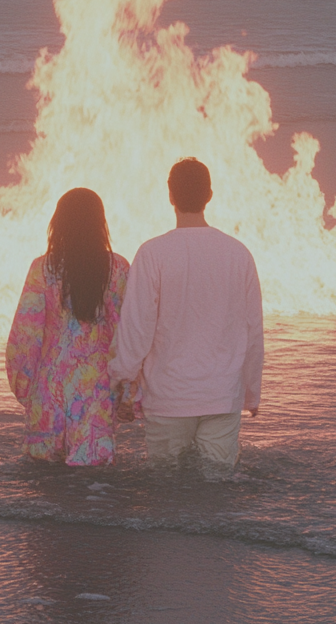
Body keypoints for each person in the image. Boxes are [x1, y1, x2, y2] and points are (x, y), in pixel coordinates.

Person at [109, 158, 263, 466]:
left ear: (170, 195)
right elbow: (253, 330)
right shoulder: (238, 254)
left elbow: (138, 327)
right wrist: (251, 391)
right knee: (216, 490)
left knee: (164, 489)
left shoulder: (153, 253)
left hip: (168, 396)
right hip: (222, 394)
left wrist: (123, 377)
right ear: (209, 195)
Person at [6, 188, 134, 466]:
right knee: (92, 477)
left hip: (49, 386)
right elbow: (127, 334)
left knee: (43, 478)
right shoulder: (118, 269)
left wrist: (25, 389)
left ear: (58, 222)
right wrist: (130, 393)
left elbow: (25, 336)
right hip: (97, 389)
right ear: (100, 223)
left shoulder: (43, 268)